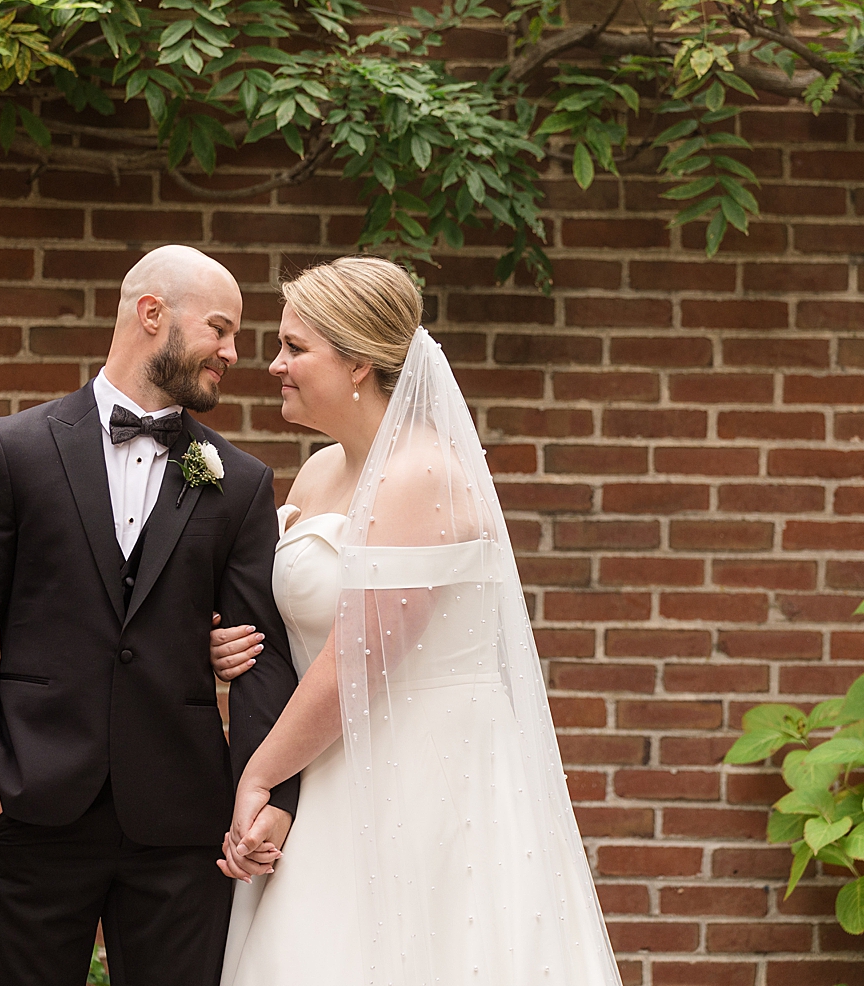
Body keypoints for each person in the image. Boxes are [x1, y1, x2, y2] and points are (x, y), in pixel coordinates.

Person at [210, 256, 622, 986]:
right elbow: (298, 628)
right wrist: (231, 646)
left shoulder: (420, 474)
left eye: (295, 347)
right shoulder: (318, 472)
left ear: (360, 361)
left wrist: (260, 775)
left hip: (421, 782)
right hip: (330, 764)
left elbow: (357, 664)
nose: (274, 364)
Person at [0, 245, 299, 986]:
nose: (233, 352)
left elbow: (265, 655)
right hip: (33, 804)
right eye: (220, 330)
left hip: (182, 818)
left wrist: (263, 793)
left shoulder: (243, 483)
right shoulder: (13, 450)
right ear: (150, 314)